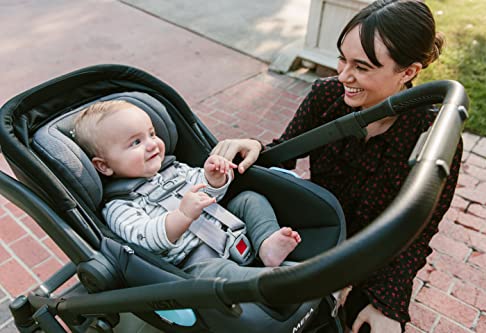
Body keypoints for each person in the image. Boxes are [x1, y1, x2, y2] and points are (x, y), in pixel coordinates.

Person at [211, 0, 462, 332]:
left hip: (376, 261)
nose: (343, 75)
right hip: (314, 238)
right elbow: (284, 153)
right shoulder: (326, 96)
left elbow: (418, 230)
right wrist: (254, 148)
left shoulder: (431, 138)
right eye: (342, 59)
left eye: (361, 67)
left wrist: (387, 302)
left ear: (409, 72)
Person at [73, 100, 301, 281]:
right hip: (196, 261)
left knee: (250, 199)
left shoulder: (174, 169)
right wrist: (181, 217)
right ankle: (271, 281)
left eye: (151, 134)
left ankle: (266, 243)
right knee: (214, 275)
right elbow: (143, 238)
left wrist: (213, 180)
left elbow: (210, 196)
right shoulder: (119, 205)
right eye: (135, 143)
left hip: (228, 227)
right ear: (103, 165)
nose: (152, 144)